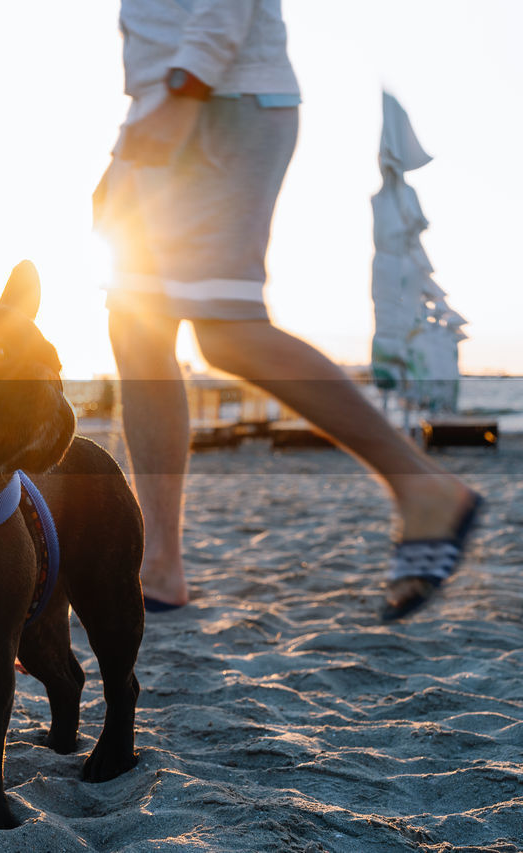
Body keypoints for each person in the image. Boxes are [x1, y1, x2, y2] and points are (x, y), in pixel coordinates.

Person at [95, 0, 480, 620]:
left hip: (217, 102)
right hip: (176, 103)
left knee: (227, 333)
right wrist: (141, 126)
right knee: (138, 325)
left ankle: (423, 487)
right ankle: (159, 563)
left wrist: (184, 91)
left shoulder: (197, 89)